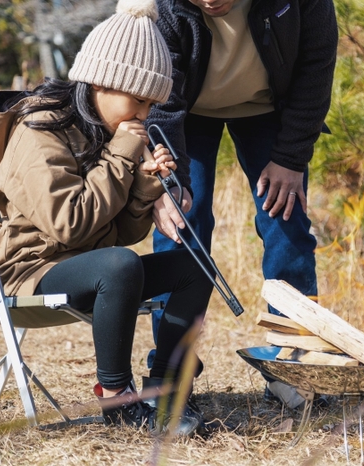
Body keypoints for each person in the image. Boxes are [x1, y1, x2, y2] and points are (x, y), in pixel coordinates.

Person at [0, 0, 213, 433]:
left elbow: (119, 233)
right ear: (101, 83)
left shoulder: (104, 132)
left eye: (151, 103)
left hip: (86, 263)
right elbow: (70, 223)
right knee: (120, 266)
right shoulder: (41, 129)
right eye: (137, 99)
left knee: (193, 268)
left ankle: (164, 389)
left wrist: (144, 185)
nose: (143, 115)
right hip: (29, 268)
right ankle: (118, 402)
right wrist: (122, 155)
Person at [145, 0, 338, 409]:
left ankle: (294, 366)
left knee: (287, 227)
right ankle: (170, 371)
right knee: (183, 227)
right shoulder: (162, 6)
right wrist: (169, 181)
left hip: (270, 108)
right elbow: (162, 97)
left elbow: (316, 64)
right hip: (186, 112)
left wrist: (290, 157)